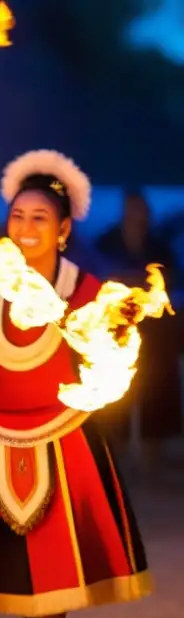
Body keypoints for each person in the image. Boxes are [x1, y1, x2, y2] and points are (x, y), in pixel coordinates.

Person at [0, 150, 151, 618]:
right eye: (17, 216)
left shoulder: (86, 291)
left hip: (64, 431)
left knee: (60, 543)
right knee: (1, 546)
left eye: (40, 219)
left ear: (64, 229)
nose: (26, 228)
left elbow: (111, 354)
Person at [94, 190, 182, 475]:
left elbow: (169, 285)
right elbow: (99, 279)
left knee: (157, 377)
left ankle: (152, 452)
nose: (137, 218)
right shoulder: (106, 243)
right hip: (114, 326)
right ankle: (113, 453)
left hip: (154, 332)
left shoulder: (159, 248)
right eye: (132, 212)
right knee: (113, 390)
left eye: (141, 213)